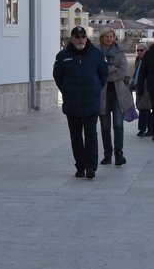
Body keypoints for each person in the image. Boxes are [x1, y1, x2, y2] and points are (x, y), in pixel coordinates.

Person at [52, 26, 107, 179]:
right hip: (72, 103)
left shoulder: (96, 54)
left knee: (91, 135)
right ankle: (80, 166)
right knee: (76, 136)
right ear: (71, 39)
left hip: (91, 102)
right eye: (77, 36)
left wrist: (96, 89)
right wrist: (66, 90)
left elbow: (103, 74)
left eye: (83, 36)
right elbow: (58, 76)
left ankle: (90, 167)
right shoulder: (63, 56)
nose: (80, 39)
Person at [96, 29, 135, 167]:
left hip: (118, 94)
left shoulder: (120, 51)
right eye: (106, 36)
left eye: (111, 36)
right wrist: (113, 68)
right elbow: (96, 70)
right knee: (105, 127)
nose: (109, 39)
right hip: (102, 94)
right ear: (102, 38)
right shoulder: (96, 52)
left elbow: (123, 71)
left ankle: (119, 154)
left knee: (118, 125)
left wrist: (107, 73)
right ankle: (107, 155)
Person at [131, 42, 152, 137]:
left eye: (141, 50)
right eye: (138, 50)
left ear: (146, 51)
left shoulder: (149, 60)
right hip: (138, 86)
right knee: (144, 108)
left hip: (146, 86)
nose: (139, 52)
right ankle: (151, 128)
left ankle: (142, 129)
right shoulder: (138, 60)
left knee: (144, 107)